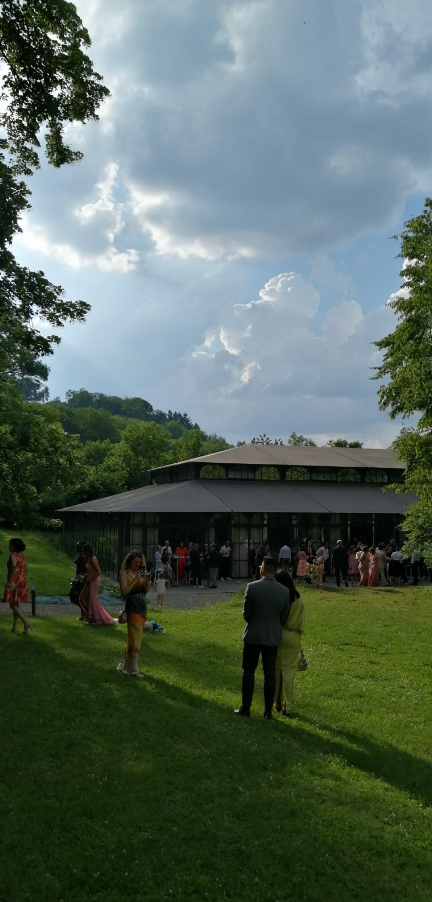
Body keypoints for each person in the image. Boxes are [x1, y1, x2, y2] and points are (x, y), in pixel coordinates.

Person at [234, 557, 290, 719]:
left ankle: (246, 707)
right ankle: (267, 711)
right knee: (270, 674)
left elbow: (246, 614)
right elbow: (283, 618)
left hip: (253, 635)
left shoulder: (252, 587)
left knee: (248, 672)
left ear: (263, 569)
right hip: (272, 636)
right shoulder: (284, 591)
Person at [274, 570, 305, 717]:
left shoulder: (280, 597)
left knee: (277, 670)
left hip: (280, 633)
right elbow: (301, 622)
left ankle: (277, 701)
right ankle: (288, 705)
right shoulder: (299, 599)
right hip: (293, 635)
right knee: (289, 672)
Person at [118, 551, 150, 677]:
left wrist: (146, 582)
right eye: (135, 562)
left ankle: (125, 665)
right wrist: (135, 579)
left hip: (142, 605)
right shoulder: (124, 574)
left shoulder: (141, 573)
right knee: (136, 637)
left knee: (133, 638)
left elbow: (145, 591)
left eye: (139, 562)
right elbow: (124, 592)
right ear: (129, 562)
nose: (137, 565)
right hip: (132, 605)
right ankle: (134, 669)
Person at [80, 543, 114, 625]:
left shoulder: (93, 559)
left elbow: (98, 571)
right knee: (86, 598)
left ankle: (94, 616)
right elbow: (91, 571)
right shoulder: (89, 559)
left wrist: (90, 579)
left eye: (83, 551)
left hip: (94, 581)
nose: (82, 553)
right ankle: (91, 615)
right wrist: (85, 576)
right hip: (90, 579)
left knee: (90, 599)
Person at [3, 537, 32, 634]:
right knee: (16, 604)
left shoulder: (13, 555)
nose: (9, 546)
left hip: (14, 580)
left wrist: (10, 577)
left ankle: (26, 623)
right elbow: (25, 568)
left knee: (12, 605)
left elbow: (14, 565)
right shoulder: (22, 555)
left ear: (14, 546)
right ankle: (14, 627)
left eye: (10, 544)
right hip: (22, 579)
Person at [70, 540, 89, 620]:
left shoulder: (84, 557)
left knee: (80, 596)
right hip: (79, 577)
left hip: (82, 578)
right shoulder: (80, 556)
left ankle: (85, 614)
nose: (76, 548)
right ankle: (84, 614)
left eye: (77, 546)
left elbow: (84, 568)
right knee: (77, 596)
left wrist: (82, 577)